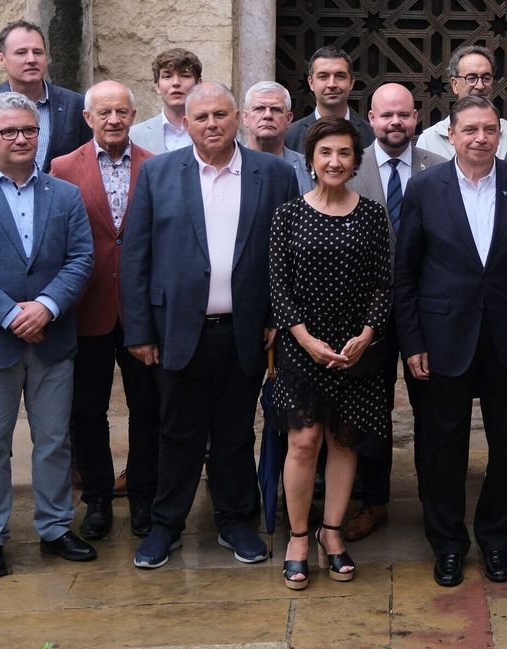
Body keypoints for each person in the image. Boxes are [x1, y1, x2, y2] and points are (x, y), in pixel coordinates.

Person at [120, 82, 300, 569]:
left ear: (237, 116)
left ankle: (235, 521)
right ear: (187, 123)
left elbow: (284, 257)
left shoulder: (275, 174)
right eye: (201, 118)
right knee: (176, 432)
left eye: (220, 114)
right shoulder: (158, 174)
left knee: (236, 432)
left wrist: (276, 320)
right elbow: (136, 256)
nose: (212, 124)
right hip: (177, 329)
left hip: (245, 330)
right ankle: (166, 525)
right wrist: (138, 330)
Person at [393, 96, 507, 588]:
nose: (480, 138)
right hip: (443, 338)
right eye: (470, 130)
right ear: (451, 135)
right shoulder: (424, 187)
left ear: (500, 134)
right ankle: (447, 543)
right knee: (442, 446)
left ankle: (497, 540)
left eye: (489, 129)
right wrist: (413, 342)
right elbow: (407, 273)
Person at [0, 91, 96, 578]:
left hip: (52, 339)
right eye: (10, 131)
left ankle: (54, 528)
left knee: (53, 441)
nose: (22, 138)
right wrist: (11, 315)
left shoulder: (64, 195)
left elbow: (81, 260)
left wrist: (45, 308)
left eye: (29, 130)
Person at [268, 117, 395, 589]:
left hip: (356, 349)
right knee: (304, 442)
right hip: (304, 348)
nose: (335, 161)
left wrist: (367, 333)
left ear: (356, 160)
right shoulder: (288, 216)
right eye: (326, 153)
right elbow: (279, 289)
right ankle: (299, 537)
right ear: (311, 160)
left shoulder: (372, 215)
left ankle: (333, 533)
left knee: (345, 440)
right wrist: (304, 339)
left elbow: (384, 282)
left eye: (344, 153)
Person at [49, 80, 160, 540]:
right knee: (86, 410)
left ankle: (143, 499)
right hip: (86, 308)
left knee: (148, 408)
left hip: (141, 312)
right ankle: (96, 499)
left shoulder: (156, 167)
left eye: (122, 112)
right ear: (87, 118)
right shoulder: (62, 168)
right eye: (104, 112)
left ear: (133, 117)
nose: (113, 120)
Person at [342, 82, 445, 541]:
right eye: (386, 116)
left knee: (434, 410)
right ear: (370, 119)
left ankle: (436, 501)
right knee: (371, 411)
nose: (395, 123)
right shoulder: (349, 166)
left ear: (417, 117)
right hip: (369, 313)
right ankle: (374, 499)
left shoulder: (441, 168)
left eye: (403, 114)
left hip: (428, 311)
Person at [0, 20, 88, 175]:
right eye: (21, 52)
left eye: (38, 52)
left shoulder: (75, 105)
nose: (31, 59)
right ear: (1, 59)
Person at [415, 45, 507, 159]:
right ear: (454, 84)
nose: (480, 86)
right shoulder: (429, 140)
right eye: (471, 78)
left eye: (486, 78)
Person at [283, 46, 375, 153]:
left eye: (340, 76)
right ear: (311, 83)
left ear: (351, 82)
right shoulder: (289, 137)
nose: (332, 84)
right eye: (323, 76)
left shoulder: (371, 135)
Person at [244, 80, 313, 193]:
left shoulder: (308, 169)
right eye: (259, 108)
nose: (267, 115)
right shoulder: (229, 166)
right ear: (245, 118)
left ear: (289, 119)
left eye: (276, 109)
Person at [129, 48, 202, 153]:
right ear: (157, 86)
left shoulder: (215, 132)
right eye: (167, 76)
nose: (176, 83)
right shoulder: (134, 136)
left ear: (198, 84)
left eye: (185, 76)